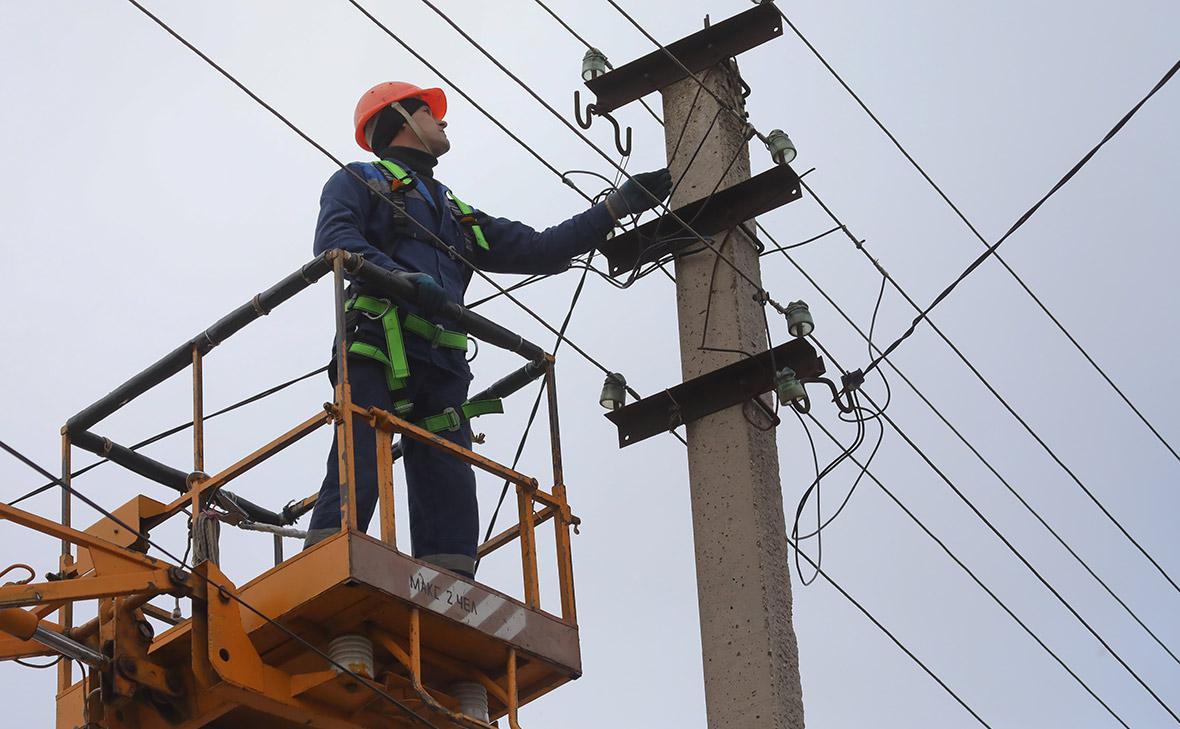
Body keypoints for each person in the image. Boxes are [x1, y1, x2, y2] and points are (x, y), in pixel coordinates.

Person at [303, 81, 671, 578]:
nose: (443, 121)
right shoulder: (360, 181)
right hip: (378, 346)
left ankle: (451, 595)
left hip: (442, 366)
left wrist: (616, 207)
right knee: (361, 468)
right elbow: (335, 239)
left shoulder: (457, 214)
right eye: (430, 113)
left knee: (450, 490)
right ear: (401, 120)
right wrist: (400, 278)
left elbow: (541, 248)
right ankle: (325, 570)